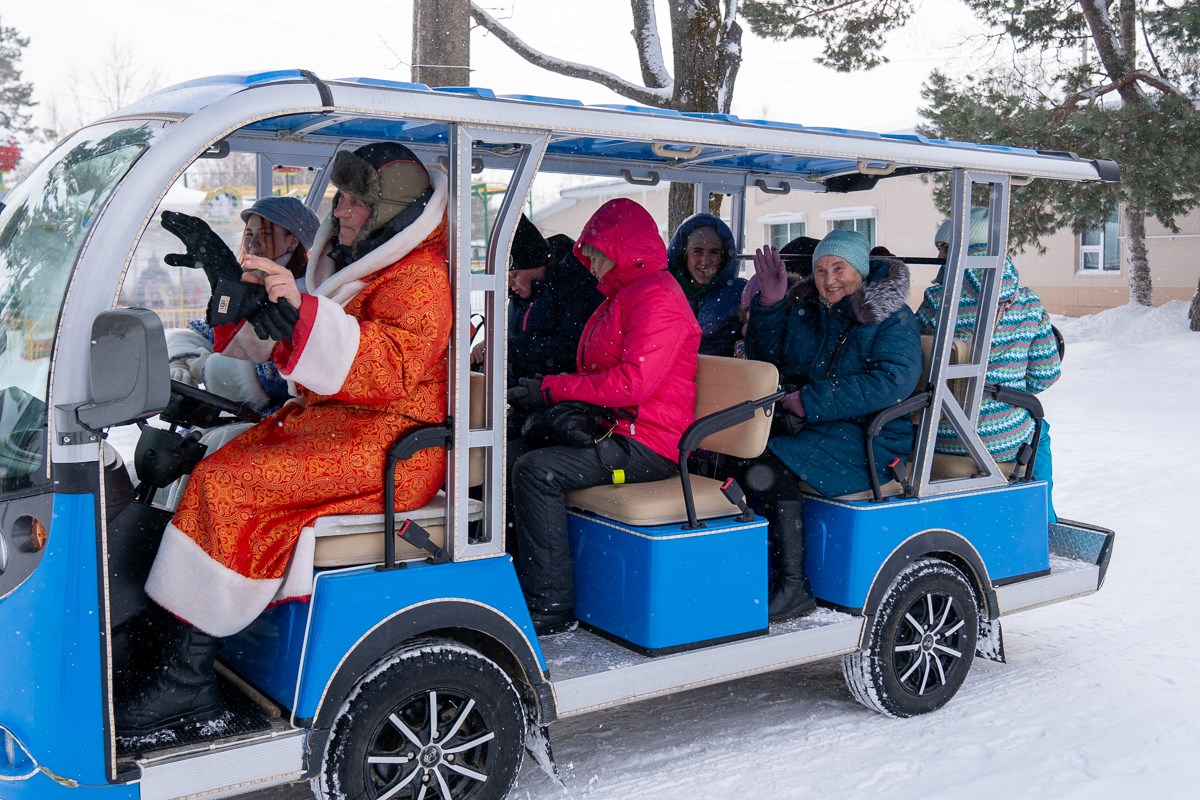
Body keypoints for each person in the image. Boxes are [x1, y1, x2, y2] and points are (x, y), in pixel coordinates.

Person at [117, 142, 452, 734]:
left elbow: (390, 366)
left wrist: (300, 320)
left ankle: (186, 682)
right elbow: (296, 350)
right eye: (340, 198)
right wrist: (237, 296)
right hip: (343, 426)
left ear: (388, 208)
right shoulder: (368, 263)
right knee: (217, 457)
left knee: (233, 481)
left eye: (352, 201)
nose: (339, 212)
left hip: (395, 443)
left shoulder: (420, 276)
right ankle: (176, 640)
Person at [507, 198, 701, 635]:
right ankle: (522, 577)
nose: (590, 263)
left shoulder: (657, 299)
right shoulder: (622, 296)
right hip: (616, 428)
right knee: (515, 452)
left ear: (621, 251)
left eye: (597, 253)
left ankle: (551, 603)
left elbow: (633, 383)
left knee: (538, 472)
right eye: (588, 253)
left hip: (650, 445)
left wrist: (553, 388)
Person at [744, 229, 922, 620]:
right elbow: (768, 358)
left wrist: (810, 401)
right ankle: (760, 572)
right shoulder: (811, 308)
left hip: (870, 435)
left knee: (767, 465)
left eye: (839, 268)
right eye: (821, 269)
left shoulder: (890, 318)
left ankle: (793, 585)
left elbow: (893, 381)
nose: (829, 279)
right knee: (736, 455)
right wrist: (772, 307)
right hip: (816, 425)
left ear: (859, 270)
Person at [915, 207, 1062, 519]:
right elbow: (1045, 376)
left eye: (944, 248)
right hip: (1000, 438)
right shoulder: (1027, 303)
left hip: (937, 433)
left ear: (961, 251)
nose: (939, 258)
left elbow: (919, 362)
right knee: (1039, 429)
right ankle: (1042, 520)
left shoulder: (935, 301)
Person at [166, 196, 320, 413]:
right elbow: (207, 333)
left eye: (264, 234)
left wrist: (206, 368)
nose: (252, 243)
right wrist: (181, 358)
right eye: (249, 233)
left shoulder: (302, 296)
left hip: (281, 418)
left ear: (293, 241)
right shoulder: (252, 285)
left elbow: (275, 375)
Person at [472, 215, 603, 435]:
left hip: (558, 402)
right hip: (523, 398)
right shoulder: (522, 298)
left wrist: (509, 349)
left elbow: (571, 350)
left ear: (536, 264)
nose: (510, 285)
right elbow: (515, 344)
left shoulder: (576, 288)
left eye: (514, 275)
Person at [666, 213, 745, 356]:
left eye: (714, 252)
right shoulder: (664, 292)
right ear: (685, 256)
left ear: (723, 257)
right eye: (697, 251)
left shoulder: (740, 293)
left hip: (724, 375)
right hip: (674, 374)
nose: (705, 261)